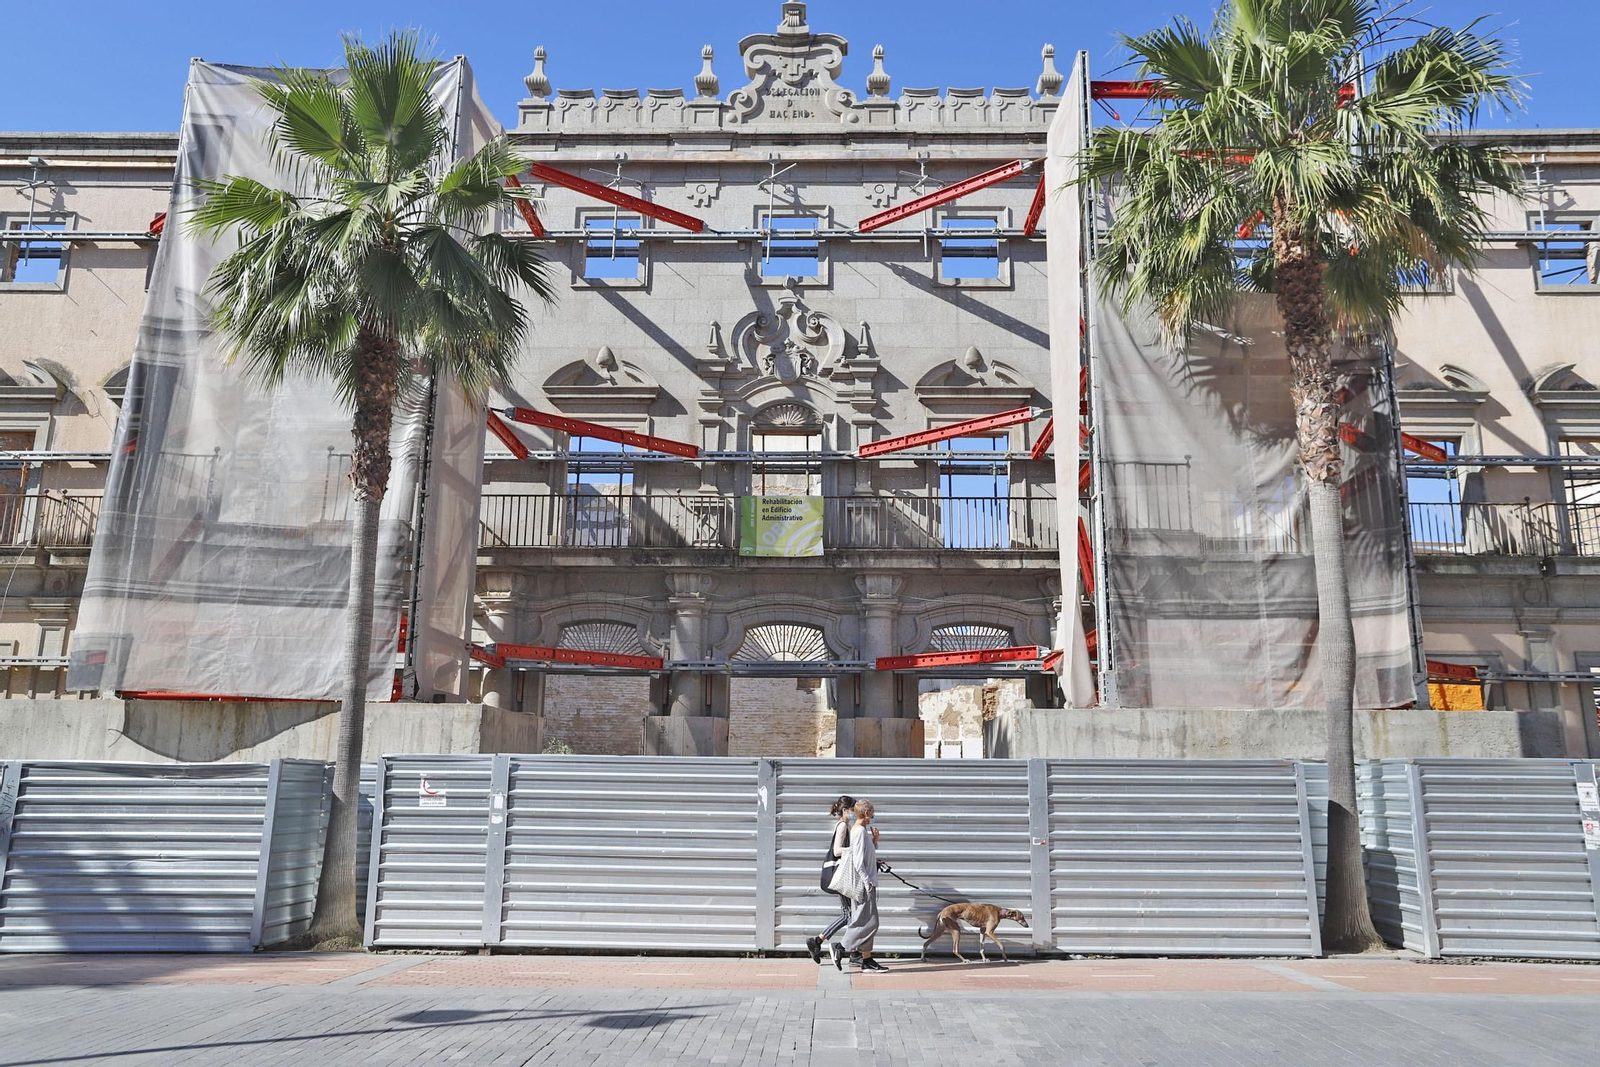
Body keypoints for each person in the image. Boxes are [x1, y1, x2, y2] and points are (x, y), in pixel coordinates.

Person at [833, 798, 886, 972]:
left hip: (867, 882)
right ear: (866, 813)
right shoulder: (859, 831)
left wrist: (874, 840)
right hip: (865, 884)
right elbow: (858, 861)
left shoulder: (862, 831)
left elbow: (866, 855)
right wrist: (867, 882)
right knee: (870, 923)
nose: (874, 815)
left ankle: (867, 960)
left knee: (865, 921)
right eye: (873, 812)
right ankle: (840, 947)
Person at [807, 795, 855, 965]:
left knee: (850, 915)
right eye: (853, 809)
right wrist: (855, 850)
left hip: (843, 875)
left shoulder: (844, 825)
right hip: (842, 876)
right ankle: (842, 948)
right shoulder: (842, 826)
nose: (855, 812)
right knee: (850, 915)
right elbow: (836, 851)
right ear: (845, 810)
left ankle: (818, 941)